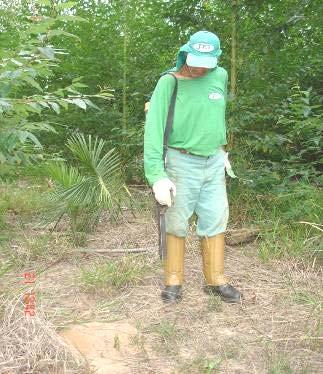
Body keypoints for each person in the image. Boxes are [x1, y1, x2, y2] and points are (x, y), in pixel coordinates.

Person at [144, 30, 242, 304]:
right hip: (181, 161)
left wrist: (220, 148)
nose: (200, 68)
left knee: (216, 216)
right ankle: (173, 281)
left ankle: (215, 280)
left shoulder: (219, 76)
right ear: (185, 53)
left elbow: (212, 114)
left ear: (217, 59)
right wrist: (156, 175)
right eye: (195, 60)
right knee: (176, 220)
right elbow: (153, 131)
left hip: (213, 161)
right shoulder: (169, 82)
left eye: (206, 63)